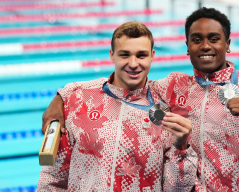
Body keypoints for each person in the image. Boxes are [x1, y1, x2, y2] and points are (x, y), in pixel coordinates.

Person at [42, 8, 239, 191]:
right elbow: (125, 85)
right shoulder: (173, 88)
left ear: (228, 43)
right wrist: (63, 95)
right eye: (197, 39)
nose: (206, 45)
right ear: (187, 47)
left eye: (214, 38)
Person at [37, 21, 197, 191]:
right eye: (124, 55)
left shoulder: (166, 112)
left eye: (141, 55)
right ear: (112, 55)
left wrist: (181, 148)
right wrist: (61, 96)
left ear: (152, 55)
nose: (133, 63)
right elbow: (54, 177)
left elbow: (177, 189)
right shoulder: (79, 101)